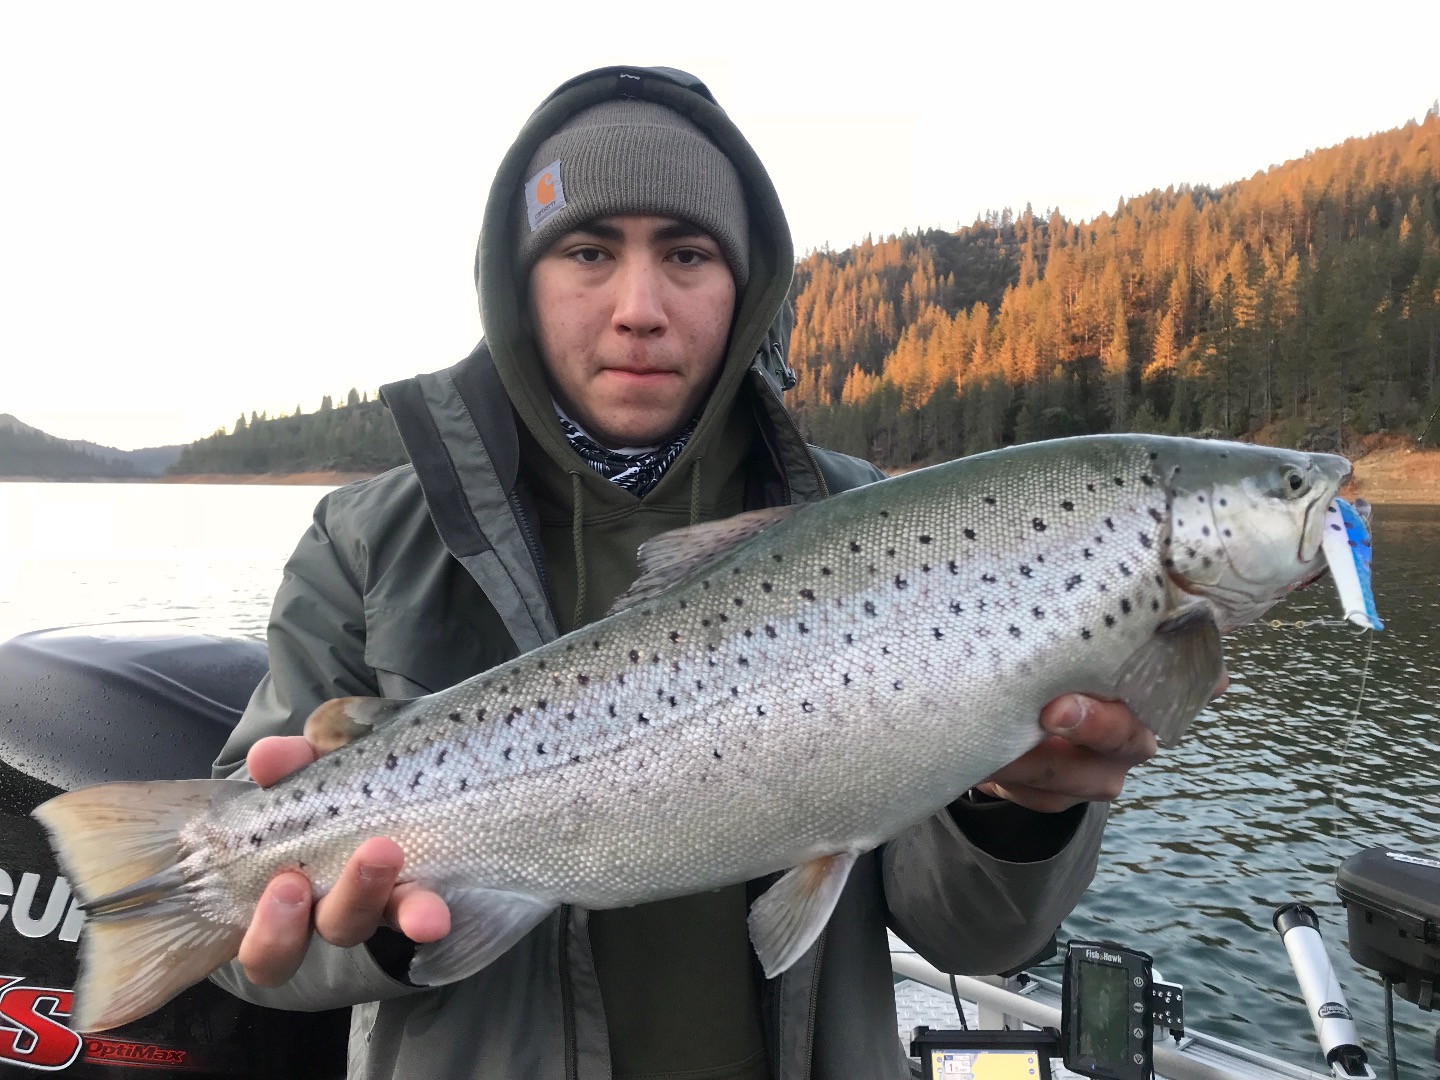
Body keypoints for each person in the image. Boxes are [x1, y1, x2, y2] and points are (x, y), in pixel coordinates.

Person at [210, 66, 1164, 1079]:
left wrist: (1022, 810)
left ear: (744, 288)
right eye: (587, 251)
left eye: (687, 253)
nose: (639, 307)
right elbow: (244, 947)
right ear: (515, 283)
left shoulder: (885, 531)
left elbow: (977, 940)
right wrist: (389, 929)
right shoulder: (365, 543)